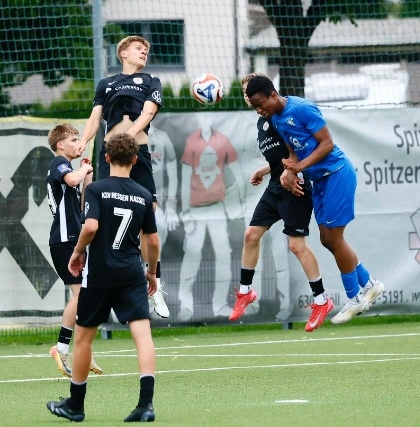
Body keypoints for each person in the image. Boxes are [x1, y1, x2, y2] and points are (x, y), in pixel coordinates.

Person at [245, 74, 384, 324]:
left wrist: (297, 168)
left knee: (334, 238)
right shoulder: (275, 118)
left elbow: (327, 144)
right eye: (255, 107)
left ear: (273, 95)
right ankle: (369, 283)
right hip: (319, 180)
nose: (258, 110)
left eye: (260, 104)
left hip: (337, 173)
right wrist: (287, 169)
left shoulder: (302, 108)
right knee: (327, 240)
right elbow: (293, 152)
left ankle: (354, 297)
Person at [46, 133, 160, 422]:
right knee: (143, 336)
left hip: (99, 272)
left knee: (84, 338)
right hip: (132, 271)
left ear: (107, 158)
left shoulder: (97, 189)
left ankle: (75, 405)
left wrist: (77, 252)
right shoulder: (144, 195)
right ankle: (146, 405)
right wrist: (151, 272)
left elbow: (90, 226)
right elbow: (153, 241)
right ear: (135, 160)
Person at [229, 74, 334, 332]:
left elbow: (297, 150)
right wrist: (264, 170)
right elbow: (280, 157)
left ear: (267, 93)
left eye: (251, 91)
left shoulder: (280, 116)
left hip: (295, 186)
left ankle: (322, 301)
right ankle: (245, 291)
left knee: (296, 246)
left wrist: (293, 171)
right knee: (251, 235)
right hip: (276, 186)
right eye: (245, 93)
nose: (248, 97)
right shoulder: (263, 120)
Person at [75, 35, 169, 318]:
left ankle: (155, 284)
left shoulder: (151, 80)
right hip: (110, 154)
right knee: (101, 217)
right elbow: (95, 118)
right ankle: (102, 279)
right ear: (123, 53)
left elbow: (148, 113)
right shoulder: (107, 83)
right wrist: (84, 141)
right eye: (139, 48)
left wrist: (128, 137)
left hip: (137, 152)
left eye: (146, 50)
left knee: (148, 216)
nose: (144, 52)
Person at [46, 124, 103, 377]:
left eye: (79, 138)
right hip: (63, 240)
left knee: (86, 294)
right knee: (81, 294)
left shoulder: (71, 169)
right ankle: (61, 348)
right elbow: (71, 179)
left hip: (72, 239)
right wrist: (80, 171)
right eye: (73, 139)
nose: (77, 143)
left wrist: (87, 174)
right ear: (60, 144)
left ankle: (81, 350)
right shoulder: (59, 164)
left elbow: (81, 204)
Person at [178, 113, 245, 321]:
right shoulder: (191, 141)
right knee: (191, 256)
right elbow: (185, 176)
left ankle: (220, 304)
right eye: (202, 115)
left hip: (217, 207)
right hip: (195, 208)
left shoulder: (222, 140)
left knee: (223, 255)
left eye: (208, 114)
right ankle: (185, 306)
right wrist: (185, 210)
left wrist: (241, 199)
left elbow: (236, 170)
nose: (205, 118)